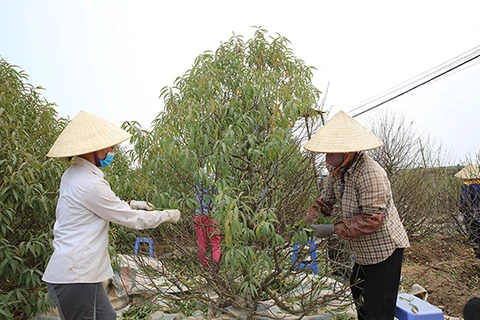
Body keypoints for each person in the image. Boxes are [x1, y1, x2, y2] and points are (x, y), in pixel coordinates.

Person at [42, 110, 181, 320]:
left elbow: (99, 207)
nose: (112, 152)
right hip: (76, 276)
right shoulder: (90, 183)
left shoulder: (74, 174)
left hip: (81, 274)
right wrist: (166, 215)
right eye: (111, 147)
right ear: (94, 149)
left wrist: (132, 204)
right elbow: (132, 219)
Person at [303, 110, 410, 320]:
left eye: (330, 152)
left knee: (377, 309)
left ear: (346, 151)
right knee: (358, 292)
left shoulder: (369, 173)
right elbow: (326, 200)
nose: (326, 157)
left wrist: (333, 229)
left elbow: (372, 220)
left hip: (384, 250)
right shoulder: (338, 170)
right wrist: (306, 221)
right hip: (363, 251)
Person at [194, 170, 221, 269]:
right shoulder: (215, 183)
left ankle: (205, 266)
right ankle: (215, 266)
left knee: (201, 242)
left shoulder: (197, 181)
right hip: (212, 216)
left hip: (199, 215)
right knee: (215, 242)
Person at [455, 164, 480, 259]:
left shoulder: (465, 187)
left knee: (474, 235)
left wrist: (464, 211)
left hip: (470, 214)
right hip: (477, 212)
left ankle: (478, 255)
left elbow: (463, 202)